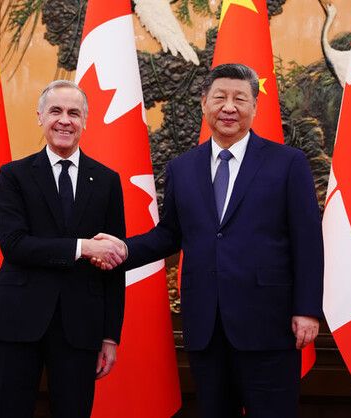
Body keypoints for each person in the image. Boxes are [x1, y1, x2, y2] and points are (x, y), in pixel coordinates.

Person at [96, 63, 324, 418]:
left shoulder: (288, 163)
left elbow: (307, 240)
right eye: (220, 97)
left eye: (239, 99)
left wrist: (307, 309)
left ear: (254, 106)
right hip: (206, 325)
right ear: (204, 103)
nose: (228, 107)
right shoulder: (182, 168)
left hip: (269, 323)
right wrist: (122, 249)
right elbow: (170, 234)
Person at [0, 80, 127, 418]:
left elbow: (114, 260)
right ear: (40, 117)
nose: (64, 120)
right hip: (18, 320)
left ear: (85, 121)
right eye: (55, 111)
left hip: (81, 325)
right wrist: (82, 247)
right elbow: (15, 245)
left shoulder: (107, 180)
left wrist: (110, 335)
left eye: (74, 113)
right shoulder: (13, 176)